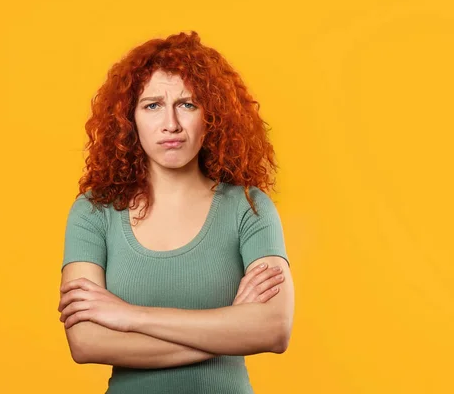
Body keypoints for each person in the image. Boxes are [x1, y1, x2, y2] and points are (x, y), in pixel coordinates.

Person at [57, 31, 295, 394]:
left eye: (188, 104)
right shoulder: (94, 212)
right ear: (129, 119)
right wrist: (228, 329)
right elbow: (87, 342)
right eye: (152, 105)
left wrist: (130, 316)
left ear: (211, 115)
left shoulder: (249, 206)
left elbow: (274, 329)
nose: (171, 124)